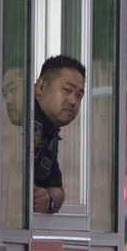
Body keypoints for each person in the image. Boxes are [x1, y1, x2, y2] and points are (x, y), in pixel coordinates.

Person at [31, 55, 86, 214]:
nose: (73, 101)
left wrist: (48, 199)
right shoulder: (18, 119)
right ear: (40, 86)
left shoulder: (49, 131)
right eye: (67, 90)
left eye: (79, 95)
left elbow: (57, 189)